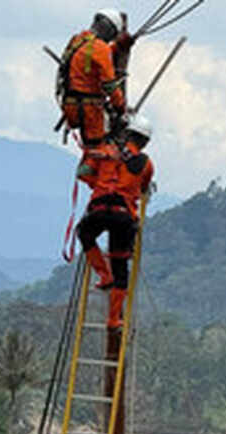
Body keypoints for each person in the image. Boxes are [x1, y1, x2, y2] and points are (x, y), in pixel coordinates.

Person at [75, 114, 154, 328]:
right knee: (121, 265)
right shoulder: (146, 164)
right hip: (124, 215)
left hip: (100, 209)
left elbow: (82, 173)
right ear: (145, 142)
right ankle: (113, 319)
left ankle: (103, 274)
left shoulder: (104, 152)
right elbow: (144, 187)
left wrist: (97, 180)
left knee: (84, 233)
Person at [58, 9, 129, 147]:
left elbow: (92, 57)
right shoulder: (101, 48)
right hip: (89, 110)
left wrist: (118, 46)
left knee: (92, 149)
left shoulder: (78, 40)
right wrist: (121, 108)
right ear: (110, 30)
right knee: (97, 150)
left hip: (71, 106)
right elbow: (110, 86)